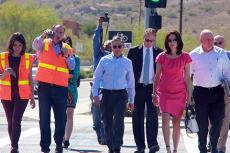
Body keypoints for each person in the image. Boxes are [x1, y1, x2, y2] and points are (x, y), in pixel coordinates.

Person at [32, 24, 75, 153]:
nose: (59, 34)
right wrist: (42, 34)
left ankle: (58, 144)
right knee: (44, 118)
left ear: (64, 34)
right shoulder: (44, 43)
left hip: (60, 88)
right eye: (57, 31)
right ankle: (45, 146)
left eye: (61, 32)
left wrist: (67, 56)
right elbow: (35, 45)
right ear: (52, 31)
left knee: (61, 118)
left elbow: (72, 66)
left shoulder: (67, 48)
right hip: (44, 87)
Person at [92, 36, 135, 153]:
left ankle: (117, 145)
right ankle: (111, 146)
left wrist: (132, 100)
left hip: (121, 95)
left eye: (119, 46)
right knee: (107, 122)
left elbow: (131, 83)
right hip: (106, 94)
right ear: (111, 47)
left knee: (119, 121)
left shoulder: (127, 62)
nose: (117, 48)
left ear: (123, 48)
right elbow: (96, 78)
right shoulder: (104, 60)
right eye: (114, 46)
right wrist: (95, 94)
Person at [190, 29, 230, 153]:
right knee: (202, 125)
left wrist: (228, 90)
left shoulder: (221, 54)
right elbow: (188, 76)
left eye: (211, 39)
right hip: (200, 93)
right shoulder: (193, 55)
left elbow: (227, 74)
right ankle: (202, 148)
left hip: (217, 92)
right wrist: (188, 96)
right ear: (201, 40)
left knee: (217, 123)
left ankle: (213, 148)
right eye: (207, 39)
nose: (210, 41)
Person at [153, 31, 192, 153]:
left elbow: (187, 78)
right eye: (169, 40)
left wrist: (189, 96)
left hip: (180, 93)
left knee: (176, 123)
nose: (172, 42)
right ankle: (168, 148)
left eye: (174, 40)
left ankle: (175, 149)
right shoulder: (161, 57)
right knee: (165, 119)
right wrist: (154, 93)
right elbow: (157, 76)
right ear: (167, 42)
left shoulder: (185, 57)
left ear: (178, 41)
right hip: (164, 92)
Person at [127, 28, 163, 153]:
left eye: (151, 41)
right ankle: (140, 146)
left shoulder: (160, 53)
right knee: (137, 117)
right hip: (138, 87)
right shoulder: (133, 52)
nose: (149, 43)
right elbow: (129, 72)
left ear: (154, 40)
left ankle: (153, 144)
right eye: (147, 40)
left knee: (152, 117)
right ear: (143, 38)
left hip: (152, 87)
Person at [0, 32, 35, 153]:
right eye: (15, 45)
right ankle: (13, 145)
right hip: (6, 95)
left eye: (20, 45)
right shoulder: (2, 57)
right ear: (11, 45)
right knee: (10, 121)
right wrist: (5, 73)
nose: (17, 48)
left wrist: (32, 96)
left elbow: (30, 77)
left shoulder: (28, 58)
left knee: (16, 120)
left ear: (23, 46)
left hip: (23, 95)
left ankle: (14, 147)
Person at [91, 17, 112, 145]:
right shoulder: (98, 55)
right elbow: (95, 41)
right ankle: (98, 129)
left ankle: (105, 135)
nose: (109, 48)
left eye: (111, 46)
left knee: (107, 114)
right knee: (97, 113)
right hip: (97, 88)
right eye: (107, 46)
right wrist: (100, 27)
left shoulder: (116, 58)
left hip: (110, 90)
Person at [62, 36, 81, 149]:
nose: (65, 45)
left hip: (71, 90)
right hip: (58, 89)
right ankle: (60, 137)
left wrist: (61, 74)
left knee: (69, 114)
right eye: (63, 43)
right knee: (60, 116)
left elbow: (75, 75)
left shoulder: (76, 58)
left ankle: (67, 140)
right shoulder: (57, 57)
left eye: (68, 43)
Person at [213, 35, 230, 153]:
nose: (218, 44)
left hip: (226, 92)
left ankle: (221, 147)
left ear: (224, 44)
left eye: (220, 42)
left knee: (225, 120)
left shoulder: (229, 55)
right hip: (211, 91)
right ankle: (212, 142)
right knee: (211, 119)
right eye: (215, 43)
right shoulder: (208, 56)